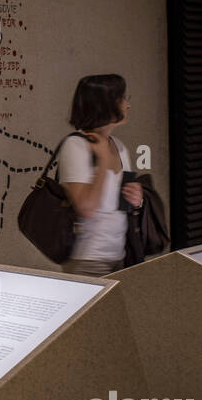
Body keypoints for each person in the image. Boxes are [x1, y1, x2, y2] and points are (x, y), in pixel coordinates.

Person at [59, 74, 142, 276]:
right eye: (122, 99)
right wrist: (104, 161)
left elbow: (124, 206)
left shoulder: (120, 147)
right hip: (88, 260)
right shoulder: (76, 145)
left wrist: (136, 200)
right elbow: (86, 208)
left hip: (120, 256)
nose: (127, 105)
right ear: (106, 104)